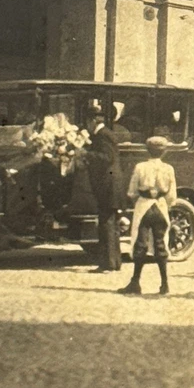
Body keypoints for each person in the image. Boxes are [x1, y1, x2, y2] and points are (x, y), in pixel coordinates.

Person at [119, 136, 177, 296]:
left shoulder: (140, 167)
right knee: (160, 244)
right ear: (163, 152)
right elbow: (172, 196)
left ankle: (135, 282)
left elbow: (132, 191)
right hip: (160, 207)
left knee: (140, 244)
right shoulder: (168, 169)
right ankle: (165, 284)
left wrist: (141, 199)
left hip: (144, 206)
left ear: (147, 150)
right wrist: (164, 201)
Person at [85, 106, 124, 272]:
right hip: (110, 185)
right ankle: (115, 262)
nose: (87, 126)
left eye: (88, 122)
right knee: (111, 224)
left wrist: (85, 154)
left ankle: (107, 263)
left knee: (107, 224)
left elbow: (107, 158)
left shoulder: (103, 136)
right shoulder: (104, 134)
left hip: (108, 185)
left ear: (93, 121)